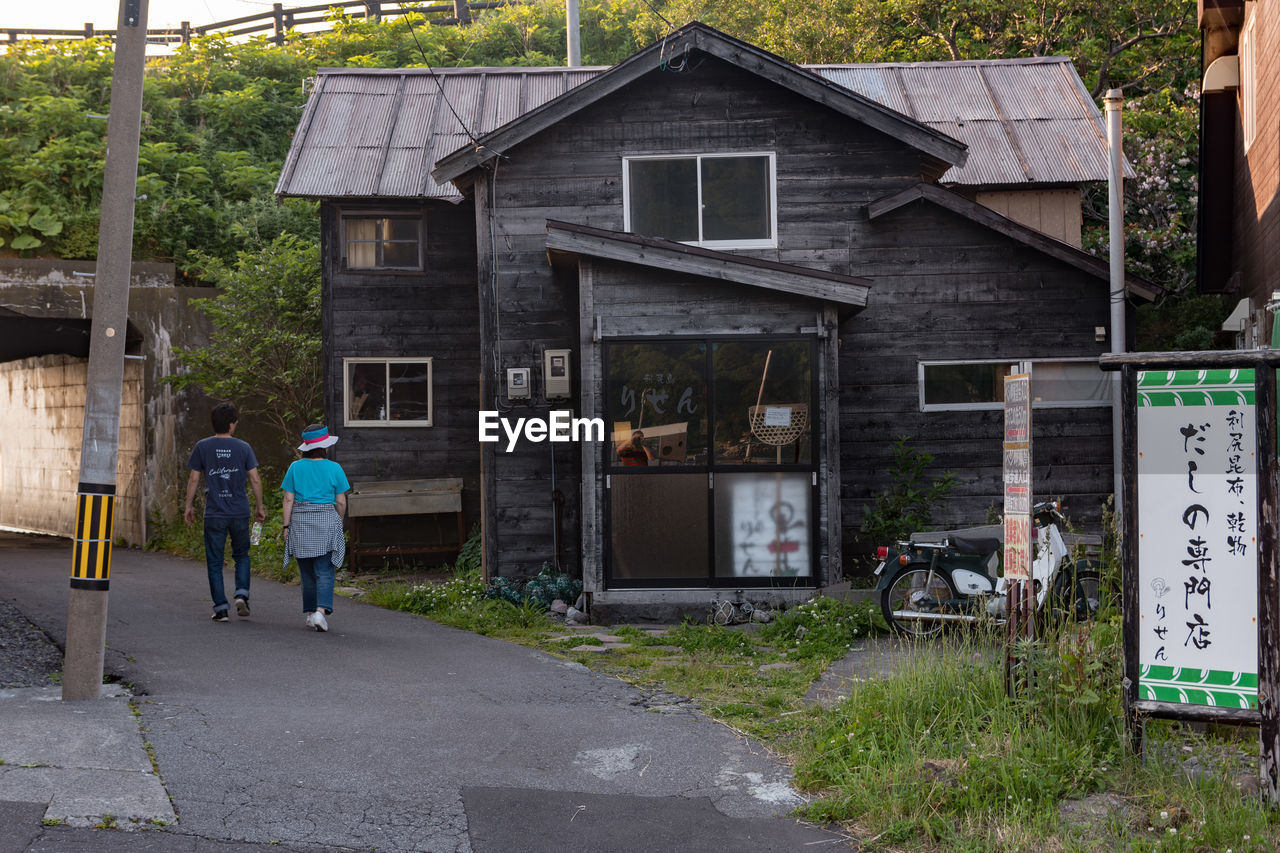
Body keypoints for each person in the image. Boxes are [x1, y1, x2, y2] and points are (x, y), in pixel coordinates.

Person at [185, 402, 266, 622]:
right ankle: (242, 594)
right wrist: (259, 507)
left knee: (214, 561)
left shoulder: (202, 446)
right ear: (231, 424)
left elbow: (194, 478)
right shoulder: (243, 447)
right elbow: (255, 479)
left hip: (214, 513)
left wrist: (188, 505)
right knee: (241, 555)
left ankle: (221, 609)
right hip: (239, 511)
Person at [281, 424, 350, 632]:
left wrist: (286, 526)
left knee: (307, 572)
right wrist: (339, 521)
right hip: (326, 524)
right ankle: (321, 612)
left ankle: (311, 614)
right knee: (324, 571)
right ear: (325, 447)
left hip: (301, 524)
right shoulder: (334, 468)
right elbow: (341, 502)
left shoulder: (295, 467)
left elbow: (287, 499)